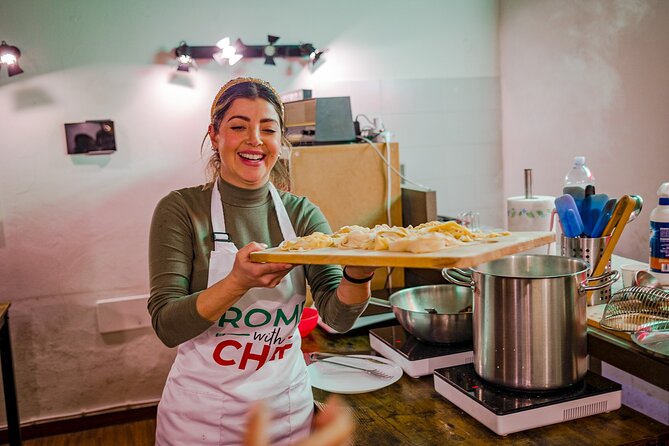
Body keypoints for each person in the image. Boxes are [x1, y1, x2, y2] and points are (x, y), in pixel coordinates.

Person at [148, 77, 376, 445]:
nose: (255, 139)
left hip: (286, 411)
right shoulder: (181, 210)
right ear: (215, 134)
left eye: (268, 129)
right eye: (238, 127)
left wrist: (358, 273)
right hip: (201, 418)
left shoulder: (302, 215)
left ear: (280, 142)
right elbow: (167, 325)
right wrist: (236, 282)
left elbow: (337, 316)